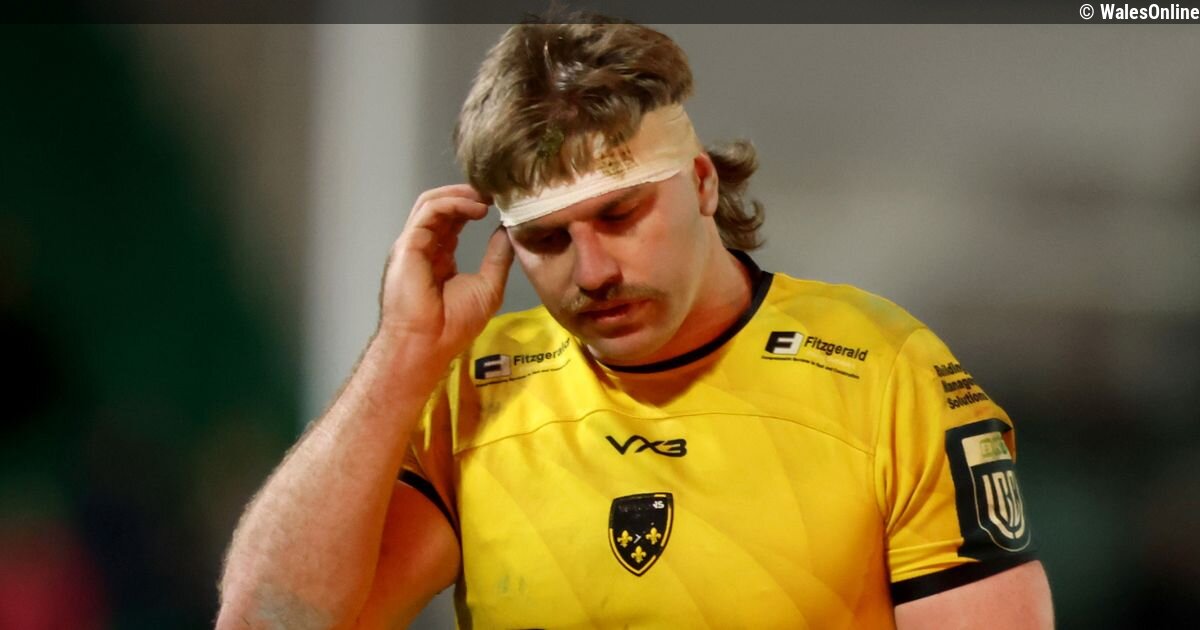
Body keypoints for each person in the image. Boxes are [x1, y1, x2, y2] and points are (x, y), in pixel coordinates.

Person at [217, 16, 1053, 629]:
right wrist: (402, 354)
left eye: (619, 216)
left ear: (701, 183)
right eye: (546, 239)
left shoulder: (887, 376)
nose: (592, 273)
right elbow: (266, 623)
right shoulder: (476, 392)